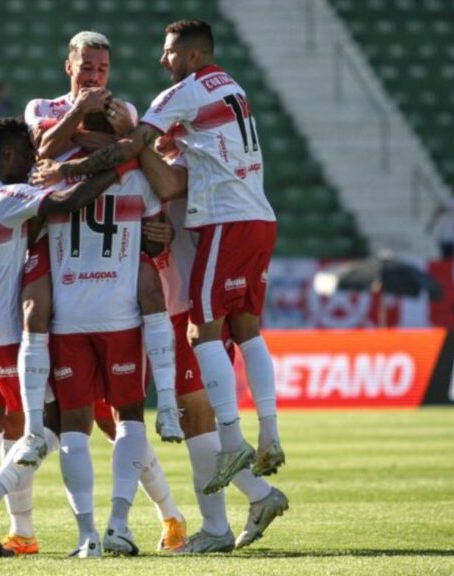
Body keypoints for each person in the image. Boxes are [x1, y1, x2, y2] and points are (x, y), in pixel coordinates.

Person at [34, 21, 287, 511]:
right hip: (135, 298)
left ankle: (232, 482)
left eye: (169, 52)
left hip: (182, 284)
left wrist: (80, 163)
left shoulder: (176, 125)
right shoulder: (211, 118)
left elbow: (143, 163)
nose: (162, 60)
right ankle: (255, 468)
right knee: (116, 415)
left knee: (195, 393)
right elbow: (151, 171)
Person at [18, 30, 186, 553]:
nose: (95, 77)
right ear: (69, 66)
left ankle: (96, 532)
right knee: (119, 420)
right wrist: (111, 147)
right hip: (97, 306)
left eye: (102, 69)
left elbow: (125, 156)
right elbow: (60, 148)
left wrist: (92, 152)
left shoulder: (68, 165)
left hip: (86, 306)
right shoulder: (46, 112)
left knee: (87, 425)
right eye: (87, 67)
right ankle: (116, 526)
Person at [0, 117, 121, 558]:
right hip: (0, 331)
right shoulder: (8, 196)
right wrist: (119, 166)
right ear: (7, 155)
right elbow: (69, 200)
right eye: (26, 154)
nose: (32, 162)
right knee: (50, 426)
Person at [142, 133, 289, 553]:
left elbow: (174, 195)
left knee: (197, 417)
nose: (157, 137)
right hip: (175, 302)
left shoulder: (191, 165)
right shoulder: (163, 169)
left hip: (193, 304)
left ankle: (218, 527)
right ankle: (257, 498)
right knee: (195, 420)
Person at [426, 185, 454, 259]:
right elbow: (442, 209)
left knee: (446, 256)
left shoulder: (453, 201)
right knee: (449, 256)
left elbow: (441, 210)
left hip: (447, 233)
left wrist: (432, 223)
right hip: (448, 234)